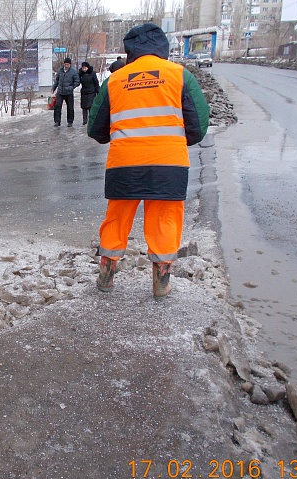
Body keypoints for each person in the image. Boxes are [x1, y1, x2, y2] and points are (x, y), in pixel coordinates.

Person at [87, 23, 209, 300]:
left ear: (130, 51)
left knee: (116, 218)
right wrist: (173, 140)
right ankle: (161, 283)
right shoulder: (180, 76)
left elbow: (95, 129)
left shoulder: (115, 80)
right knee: (165, 219)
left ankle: (106, 276)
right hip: (169, 163)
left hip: (124, 163)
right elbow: (198, 126)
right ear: (162, 48)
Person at [51, 57, 80, 127]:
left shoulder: (74, 72)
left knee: (70, 108)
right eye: (65, 64)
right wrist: (54, 88)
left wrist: (71, 87)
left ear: (70, 64)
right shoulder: (60, 70)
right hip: (60, 92)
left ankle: (70, 122)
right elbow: (57, 80)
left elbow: (77, 81)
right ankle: (57, 121)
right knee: (57, 107)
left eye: (67, 64)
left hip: (69, 93)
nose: (66, 66)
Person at [78, 61, 99, 125]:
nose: (84, 69)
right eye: (83, 68)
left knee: (90, 107)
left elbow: (96, 83)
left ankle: (91, 119)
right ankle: (85, 120)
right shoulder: (80, 74)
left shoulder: (92, 73)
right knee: (84, 107)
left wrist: (98, 90)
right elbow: (77, 81)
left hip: (91, 92)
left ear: (88, 67)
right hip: (84, 92)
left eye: (85, 68)